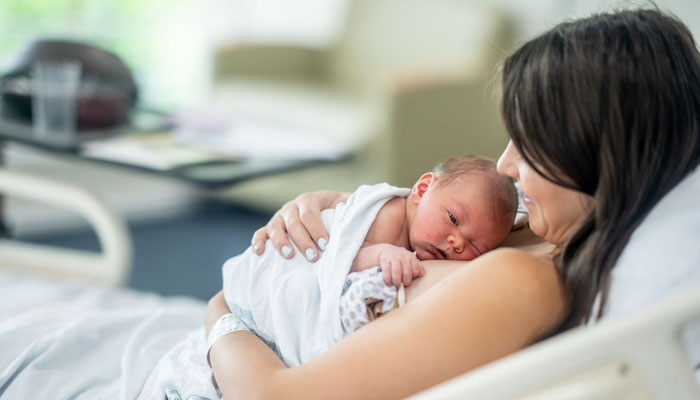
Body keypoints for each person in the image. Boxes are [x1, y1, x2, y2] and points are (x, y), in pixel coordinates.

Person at [205, 8, 700, 399]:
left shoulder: (522, 281)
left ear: (595, 154)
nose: (505, 163)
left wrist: (220, 312)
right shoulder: (537, 232)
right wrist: (334, 207)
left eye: (530, 143)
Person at [217, 154, 517, 367]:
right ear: (423, 190)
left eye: (475, 247)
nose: (457, 242)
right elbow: (346, 256)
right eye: (453, 218)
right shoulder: (389, 214)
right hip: (282, 258)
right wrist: (385, 253)